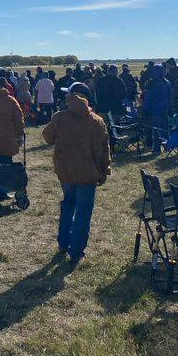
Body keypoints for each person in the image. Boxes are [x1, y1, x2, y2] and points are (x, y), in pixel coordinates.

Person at [43, 82, 111, 266]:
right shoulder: (97, 121)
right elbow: (104, 151)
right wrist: (104, 171)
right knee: (83, 212)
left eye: (69, 94)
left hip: (66, 172)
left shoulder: (60, 117)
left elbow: (47, 137)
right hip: (88, 175)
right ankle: (76, 251)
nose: (65, 96)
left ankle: (64, 242)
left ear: (75, 96)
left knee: (68, 205)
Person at [142, 63, 171, 154]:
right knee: (165, 129)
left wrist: (146, 110)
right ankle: (167, 146)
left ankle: (157, 149)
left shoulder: (151, 83)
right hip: (165, 109)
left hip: (155, 110)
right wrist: (170, 108)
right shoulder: (167, 82)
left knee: (156, 130)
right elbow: (170, 97)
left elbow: (148, 98)